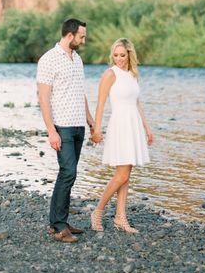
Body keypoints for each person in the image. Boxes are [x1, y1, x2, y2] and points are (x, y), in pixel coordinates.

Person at [36, 18, 95, 243]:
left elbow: (80, 93)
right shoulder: (48, 60)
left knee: (69, 174)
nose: (84, 40)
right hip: (61, 126)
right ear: (70, 35)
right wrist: (51, 131)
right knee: (68, 171)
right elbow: (43, 98)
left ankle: (59, 221)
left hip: (78, 124)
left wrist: (90, 121)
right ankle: (59, 226)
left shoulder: (77, 59)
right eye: (82, 36)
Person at [90, 38, 153, 233]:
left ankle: (120, 217)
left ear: (129, 55)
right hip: (120, 125)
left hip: (133, 125)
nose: (118, 59)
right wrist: (97, 130)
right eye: (116, 55)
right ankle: (98, 211)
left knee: (127, 175)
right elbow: (100, 103)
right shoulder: (110, 74)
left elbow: (137, 102)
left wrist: (147, 128)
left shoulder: (133, 74)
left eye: (122, 55)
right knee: (121, 174)